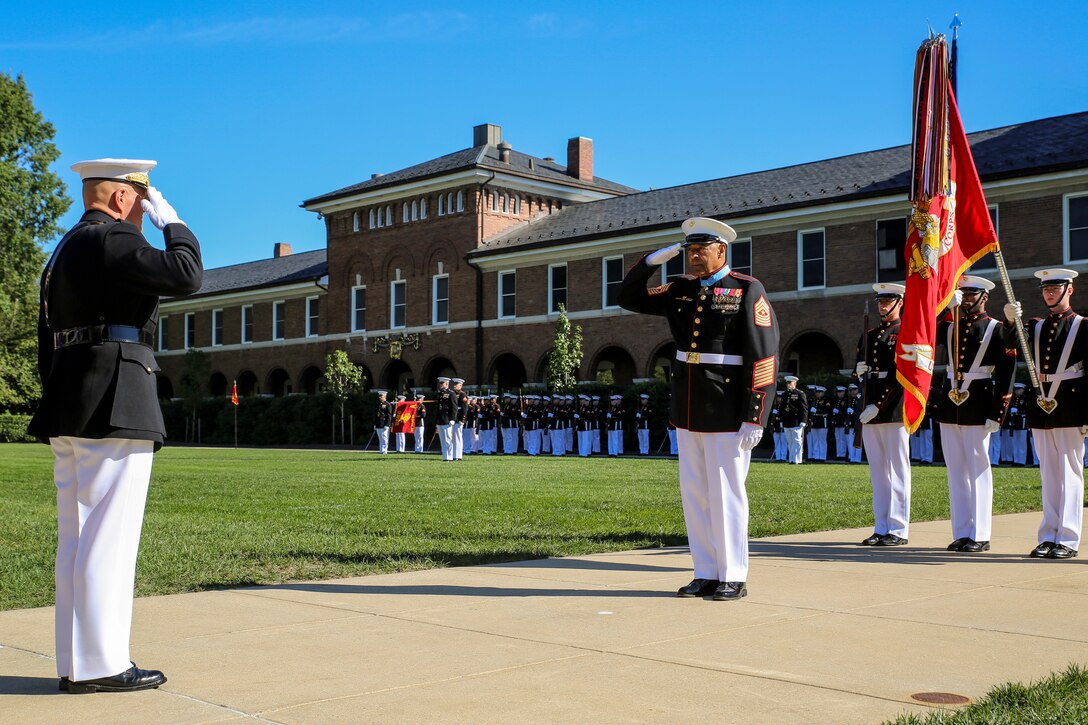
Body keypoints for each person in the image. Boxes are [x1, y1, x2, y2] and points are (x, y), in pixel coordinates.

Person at [29, 158, 202, 693]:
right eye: (143, 203)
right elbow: (186, 276)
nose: (145, 216)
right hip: (116, 399)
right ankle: (101, 665)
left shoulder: (62, 251)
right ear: (127, 199)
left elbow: (46, 338)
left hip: (72, 398)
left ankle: (77, 662)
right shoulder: (113, 240)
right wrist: (174, 225)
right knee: (109, 537)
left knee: (77, 540)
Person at [619, 216, 779, 602]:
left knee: (726, 493)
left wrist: (755, 413)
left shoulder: (746, 289)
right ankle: (705, 571)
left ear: (721, 250)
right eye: (689, 250)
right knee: (695, 493)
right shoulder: (680, 289)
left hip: (727, 408)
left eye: (700, 249)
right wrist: (652, 261)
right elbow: (628, 298)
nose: (693, 256)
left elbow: (763, 354)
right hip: (688, 406)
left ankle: (733, 575)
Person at [1004, 269, 1088, 559]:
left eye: (1056, 288)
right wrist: (1011, 320)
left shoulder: (1083, 325)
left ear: (1069, 291)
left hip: (1070, 405)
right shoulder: (1035, 326)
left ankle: (1068, 538)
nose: (1050, 293)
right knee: (1049, 474)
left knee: (1070, 473)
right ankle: (1048, 535)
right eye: (1046, 289)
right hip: (1042, 406)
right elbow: (1012, 345)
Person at [936, 275, 1016, 553]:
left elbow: (1006, 372)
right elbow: (923, 336)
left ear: (984, 297)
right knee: (956, 471)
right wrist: (946, 308)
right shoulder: (949, 325)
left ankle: (980, 533)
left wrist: (998, 411)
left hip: (979, 402)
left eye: (972, 295)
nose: (967, 299)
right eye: (963, 294)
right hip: (950, 404)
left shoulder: (995, 328)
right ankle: (962, 531)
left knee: (978, 470)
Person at [855, 282, 911, 547]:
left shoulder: (905, 334)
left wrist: (878, 404)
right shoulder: (870, 334)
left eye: (888, 301)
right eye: (881, 301)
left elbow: (902, 375)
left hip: (893, 410)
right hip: (871, 410)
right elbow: (860, 371)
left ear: (900, 303)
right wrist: (859, 372)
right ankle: (881, 526)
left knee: (898, 470)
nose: (883, 306)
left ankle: (898, 528)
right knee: (878, 471)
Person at [779, 376, 807, 464]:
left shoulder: (800, 393)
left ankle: (797, 459)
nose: (788, 385)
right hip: (787, 420)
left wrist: (804, 420)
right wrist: (781, 420)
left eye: (790, 383)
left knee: (797, 441)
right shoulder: (784, 394)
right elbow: (782, 409)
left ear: (795, 383)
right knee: (790, 441)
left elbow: (804, 408)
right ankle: (791, 459)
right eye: (787, 383)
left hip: (796, 420)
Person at [435, 377, 457, 461]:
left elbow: (454, 407)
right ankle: (445, 457)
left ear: (447, 384)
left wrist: (453, 419)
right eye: (440, 383)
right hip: (440, 419)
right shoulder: (440, 393)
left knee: (448, 439)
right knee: (442, 439)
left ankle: (450, 457)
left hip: (447, 418)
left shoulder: (451, 393)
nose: (440, 385)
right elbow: (438, 408)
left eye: (442, 383)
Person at [451, 378, 468, 460]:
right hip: (453, 418)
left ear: (460, 386)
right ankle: (453, 454)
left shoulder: (463, 395)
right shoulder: (452, 393)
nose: (454, 386)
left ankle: (458, 455)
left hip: (458, 418)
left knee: (458, 437)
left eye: (456, 384)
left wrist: (462, 419)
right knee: (452, 437)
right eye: (454, 384)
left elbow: (465, 408)